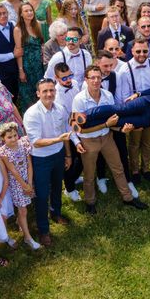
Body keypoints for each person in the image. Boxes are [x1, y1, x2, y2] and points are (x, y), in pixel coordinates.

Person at [72, 66, 148, 213]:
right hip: (89, 141)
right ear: (86, 80)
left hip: (107, 137)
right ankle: (90, 202)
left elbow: (113, 122)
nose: (95, 81)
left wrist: (121, 129)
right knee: (89, 174)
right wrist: (106, 124)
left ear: (102, 79)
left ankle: (128, 198)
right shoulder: (79, 100)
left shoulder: (107, 95)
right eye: (92, 78)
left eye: (98, 78)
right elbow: (79, 128)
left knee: (118, 168)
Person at [23, 79, 81, 246]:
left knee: (57, 186)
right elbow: (36, 141)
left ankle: (56, 212)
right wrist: (58, 139)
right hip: (41, 159)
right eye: (45, 91)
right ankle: (43, 230)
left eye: (51, 90)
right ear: (38, 94)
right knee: (42, 195)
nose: (49, 94)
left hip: (59, 154)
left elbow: (65, 132)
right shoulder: (32, 113)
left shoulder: (60, 109)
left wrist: (68, 155)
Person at [117, 36, 150, 183]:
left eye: (145, 51)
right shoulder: (125, 70)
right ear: (132, 51)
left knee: (148, 142)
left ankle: (146, 169)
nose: (141, 54)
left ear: (149, 50)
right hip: (135, 110)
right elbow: (124, 96)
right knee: (134, 143)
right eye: (138, 51)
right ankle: (134, 170)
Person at [95, 51, 137, 197]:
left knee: (122, 150)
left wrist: (118, 117)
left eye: (111, 65)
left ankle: (128, 180)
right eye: (105, 66)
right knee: (99, 150)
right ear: (97, 64)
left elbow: (123, 98)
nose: (109, 69)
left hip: (116, 117)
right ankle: (100, 177)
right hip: (99, 121)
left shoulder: (117, 76)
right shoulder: (90, 79)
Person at [0, 123, 42, 250]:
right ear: (3, 139)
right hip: (17, 183)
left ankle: (20, 221)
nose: (13, 139)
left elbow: (29, 164)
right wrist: (24, 185)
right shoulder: (3, 152)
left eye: (15, 135)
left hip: (27, 179)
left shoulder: (23, 144)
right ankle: (28, 238)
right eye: (9, 137)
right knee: (23, 210)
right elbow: (13, 170)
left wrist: (29, 183)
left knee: (26, 206)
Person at [52, 63, 84, 202]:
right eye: (64, 78)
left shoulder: (75, 83)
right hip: (67, 131)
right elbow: (66, 124)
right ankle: (69, 188)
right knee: (70, 161)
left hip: (80, 124)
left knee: (82, 159)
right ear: (56, 78)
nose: (69, 80)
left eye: (70, 75)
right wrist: (76, 140)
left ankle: (74, 178)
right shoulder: (57, 97)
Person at [15, 2, 45, 113]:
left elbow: (41, 43)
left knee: (40, 91)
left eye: (31, 10)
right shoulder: (18, 29)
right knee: (28, 96)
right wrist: (21, 70)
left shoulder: (37, 24)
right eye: (26, 11)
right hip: (27, 66)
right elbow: (19, 51)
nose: (29, 13)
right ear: (21, 14)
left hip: (39, 65)